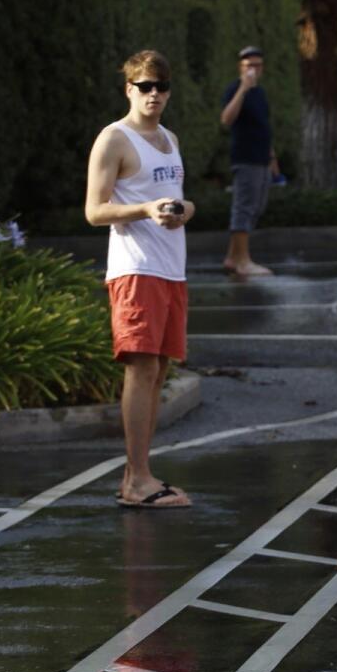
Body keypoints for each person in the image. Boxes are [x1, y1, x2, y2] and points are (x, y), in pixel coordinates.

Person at [84, 50, 195, 510]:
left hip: (171, 267)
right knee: (141, 367)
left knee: (159, 370)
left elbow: (179, 200)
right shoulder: (114, 139)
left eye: (162, 87)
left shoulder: (168, 139)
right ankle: (139, 480)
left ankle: (136, 475)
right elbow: (95, 210)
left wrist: (182, 210)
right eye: (145, 86)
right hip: (136, 269)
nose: (155, 94)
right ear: (129, 88)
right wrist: (146, 210)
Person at [219, 45, 276, 277]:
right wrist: (243, 88)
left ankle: (233, 257)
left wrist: (272, 156)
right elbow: (226, 119)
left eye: (257, 65)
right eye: (249, 65)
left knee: (257, 207)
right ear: (240, 68)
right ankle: (243, 261)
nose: (254, 70)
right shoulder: (235, 89)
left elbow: (264, 126)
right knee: (243, 208)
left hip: (262, 158)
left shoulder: (260, 94)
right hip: (245, 158)